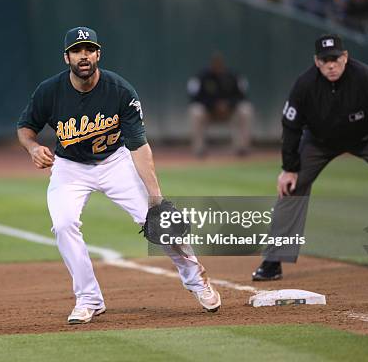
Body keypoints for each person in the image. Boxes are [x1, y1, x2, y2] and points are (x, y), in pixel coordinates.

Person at [17, 26, 221, 323]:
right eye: (76, 50)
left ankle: (197, 280)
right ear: (66, 58)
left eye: (88, 49)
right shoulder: (50, 91)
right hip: (70, 168)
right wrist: (32, 147)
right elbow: (25, 128)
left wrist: (156, 199)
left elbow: (139, 147)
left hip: (115, 162)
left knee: (158, 222)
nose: (83, 55)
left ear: (98, 53)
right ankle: (88, 299)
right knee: (63, 225)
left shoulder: (120, 91)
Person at [252, 33, 368, 281]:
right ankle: (273, 261)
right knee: (291, 186)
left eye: (335, 59)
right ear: (316, 62)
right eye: (325, 60)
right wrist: (289, 168)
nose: (331, 65)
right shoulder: (305, 85)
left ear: (345, 57)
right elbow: (290, 125)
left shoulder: (366, 77)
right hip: (320, 141)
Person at [187, 52, 254, 156]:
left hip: (230, 112)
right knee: (196, 111)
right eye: (215, 64)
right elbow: (194, 98)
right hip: (209, 112)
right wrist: (213, 105)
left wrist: (228, 104)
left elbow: (242, 96)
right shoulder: (203, 77)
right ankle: (199, 149)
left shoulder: (232, 76)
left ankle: (242, 148)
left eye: (219, 64)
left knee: (246, 109)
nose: (217, 66)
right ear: (211, 65)